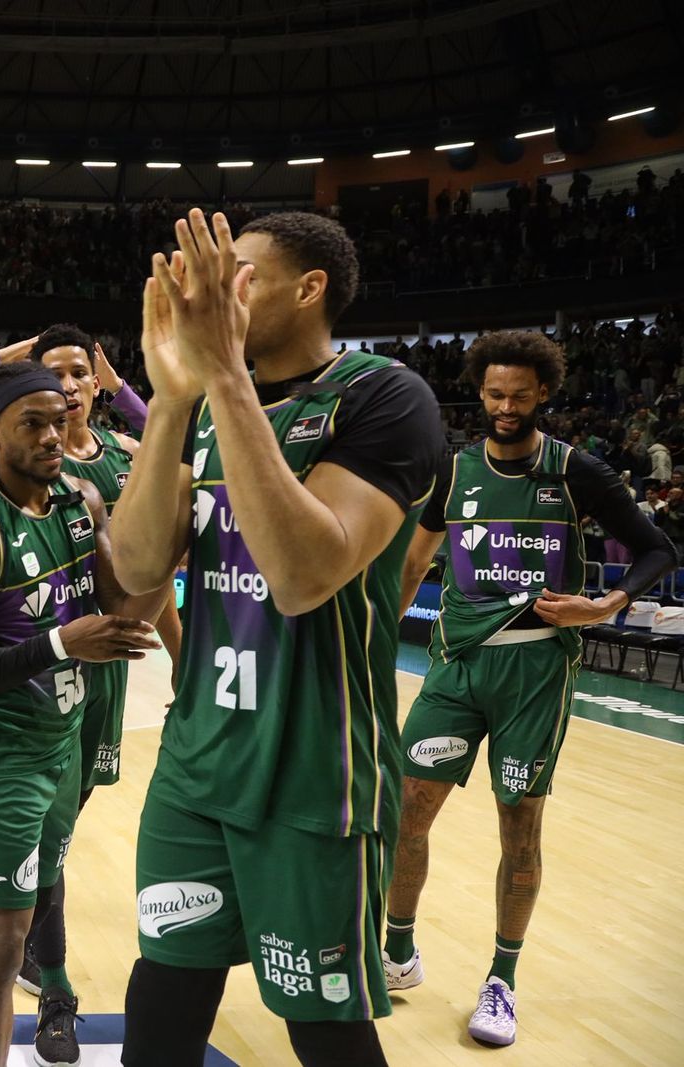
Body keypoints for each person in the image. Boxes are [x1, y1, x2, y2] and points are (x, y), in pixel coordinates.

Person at [111, 209, 444, 1067]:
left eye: (238, 275)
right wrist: (171, 401)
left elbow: (301, 576)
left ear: (309, 289)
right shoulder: (208, 404)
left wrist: (221, 375)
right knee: (162, 1005)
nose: (211, 293)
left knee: (325, 1032)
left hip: (315, 775)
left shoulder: (385, 396)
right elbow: (137, 574)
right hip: (196, 768)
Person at [383, 331, 678, 1046]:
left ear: (544, 392)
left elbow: (658, 549)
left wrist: (603, 606)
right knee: (408, 810)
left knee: (519, 825)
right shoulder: (453, 472)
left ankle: (501, 980)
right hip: (456, 666)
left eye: (520, 395)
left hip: (537, 671)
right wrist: (371, 644)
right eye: (495, 394)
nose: (506, 407)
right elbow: (413, 565)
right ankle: (396, 952)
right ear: (480, 392)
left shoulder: (576, 471)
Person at [0, 325, 184, 1061]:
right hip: (3, 757)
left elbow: (121, 610)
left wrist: (175, 542)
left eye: (59, 421)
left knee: (32, 911)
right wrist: (61, 644)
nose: (52, 436)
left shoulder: (80, 498)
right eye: (32, 423)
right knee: (1, 947)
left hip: (66, 743)